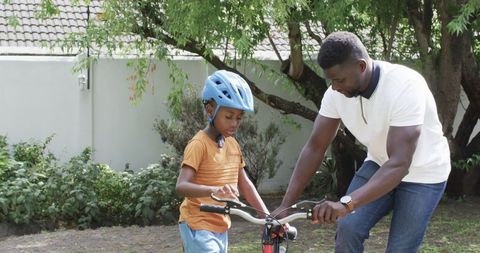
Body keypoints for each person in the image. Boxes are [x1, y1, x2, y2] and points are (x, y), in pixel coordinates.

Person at [272, 31, 451, 252]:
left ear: (361, 66)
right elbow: (315, 147)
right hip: (379, 163)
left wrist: (346, 204)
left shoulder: (405, 86)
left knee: (400, 249)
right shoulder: (335, 94)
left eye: (339, 80)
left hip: (424, 174)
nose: (335, 87)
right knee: (348, 228)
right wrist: (286, 204)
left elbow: (399, 164)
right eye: (331, 81)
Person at [176, 70, 269, 253]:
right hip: (197, 224)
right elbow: (181, 186)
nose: (234, 123)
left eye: (239, 118)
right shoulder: (198, 144)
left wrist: (266, 217)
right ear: (210, 109)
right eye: (229, 116)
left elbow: (246, 185)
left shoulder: (232, 145)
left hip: (220, 226)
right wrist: (214, 191)